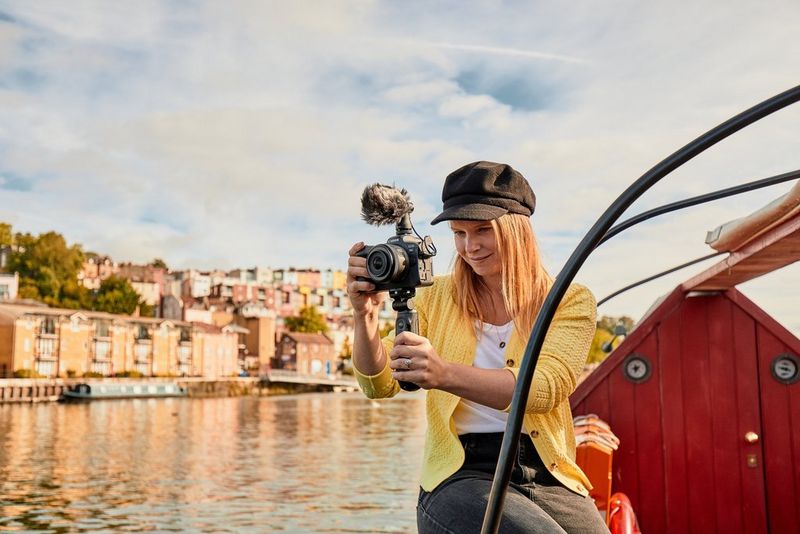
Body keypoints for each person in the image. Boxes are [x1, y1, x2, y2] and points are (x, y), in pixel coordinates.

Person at [347, 161, 609, 534]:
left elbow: (543, 389)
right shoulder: (434, 297)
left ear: (517, 230)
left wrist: (444, 374)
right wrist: (365, 317)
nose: (470, 247)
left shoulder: (568, 299)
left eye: (483, 230)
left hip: (548, 471)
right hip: (460, 474)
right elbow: (378, 384)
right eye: (459, 233)